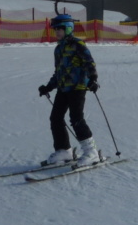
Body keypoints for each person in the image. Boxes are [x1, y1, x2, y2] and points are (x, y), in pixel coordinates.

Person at [38, 13, 101, 167]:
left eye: (60, 29)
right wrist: (49, 86)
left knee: (76, 118)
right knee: (56, 118)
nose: (57, 32)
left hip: (78, 87)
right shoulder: (58, 49)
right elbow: (59, 72)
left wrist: (93, 79)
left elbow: (89, 63)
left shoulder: (78, 44)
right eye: (55, 29)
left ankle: (91, 153)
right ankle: (64, 150)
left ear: (68, 28)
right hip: (63, 88)